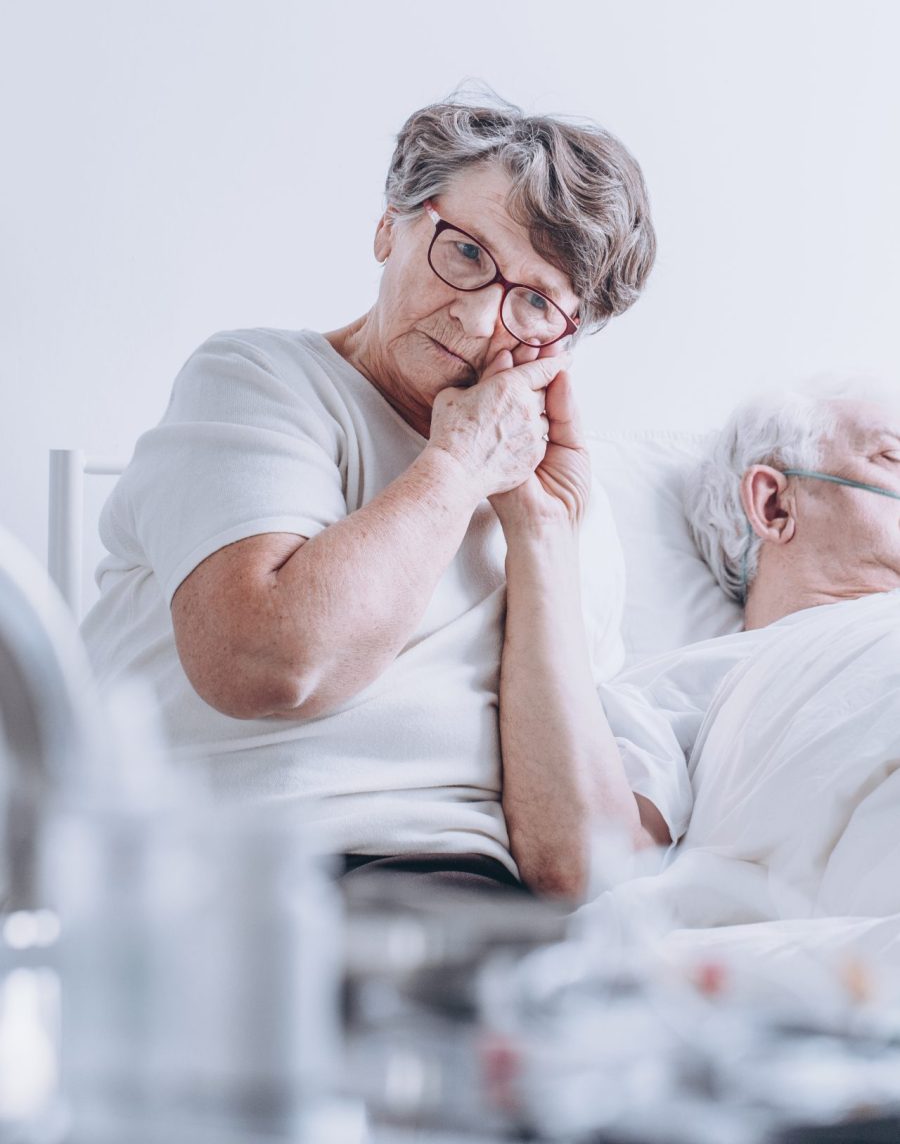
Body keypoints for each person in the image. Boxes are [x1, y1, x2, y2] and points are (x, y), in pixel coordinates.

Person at [81, 91, 657, 896]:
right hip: (226, 882)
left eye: (534, 301)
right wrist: (457, 466)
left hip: (463, 903)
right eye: (465, 253)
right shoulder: (261, 380)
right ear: (391, 226)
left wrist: (540, 536)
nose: (480, 316)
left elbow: (581, 869)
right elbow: (269, 664)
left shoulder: (568, 517)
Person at [517, 379, 900, 913]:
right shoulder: (688, 688)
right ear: (774, 506)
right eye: (892, 456)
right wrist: (539, 531)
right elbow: (588, 860)